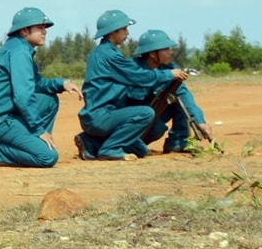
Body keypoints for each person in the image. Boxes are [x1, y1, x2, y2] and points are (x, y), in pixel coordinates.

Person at [0, 7, 80, 167]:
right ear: (24, 31)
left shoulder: (19, 48)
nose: (45, 32)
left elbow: (37, 83)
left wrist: (61, 83)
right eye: (40, 28)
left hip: (5, 116)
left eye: (45, 28)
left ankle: (35, 144)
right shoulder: (19, 53)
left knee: (49, 100)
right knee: (48, 157)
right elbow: (23, 96)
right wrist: (38, 129)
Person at [77, 10, 188, 160]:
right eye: (124, 29)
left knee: (141, 150)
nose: (127, 33)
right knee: (146, 113)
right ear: (113, 31)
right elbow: (137, 77)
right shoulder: (108, 55)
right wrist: (169, 74)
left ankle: (91, 142)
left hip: (99, 115)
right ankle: (111, 148)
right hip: (101, 116)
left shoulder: (103, 52)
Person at [130, 29, 212, 153]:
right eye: (166, 49)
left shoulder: (169, 68)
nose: (170, 52)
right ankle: (129, 145)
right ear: (152, 54)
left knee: (179, 101)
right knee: (157, 129)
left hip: (152, 116)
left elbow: (183, 93)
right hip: (131, 123)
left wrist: (200, 122)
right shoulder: (131, 69)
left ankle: (178, 143)